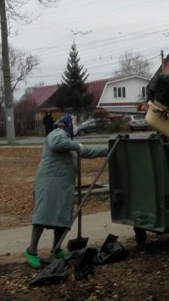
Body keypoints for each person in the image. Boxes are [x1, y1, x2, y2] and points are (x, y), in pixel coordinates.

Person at [24, 115, 108, 269]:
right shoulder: (57, 133)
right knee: (43, 214)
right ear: (66, 125)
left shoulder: (69, 140)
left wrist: (108, 150)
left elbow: (88, 151)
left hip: (64, 185)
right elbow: (56, 144)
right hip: (50, 182)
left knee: (62, 216)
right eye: (74, 124)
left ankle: (56, 249)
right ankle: (31, 251)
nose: (76, 127)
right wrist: (77, 146)